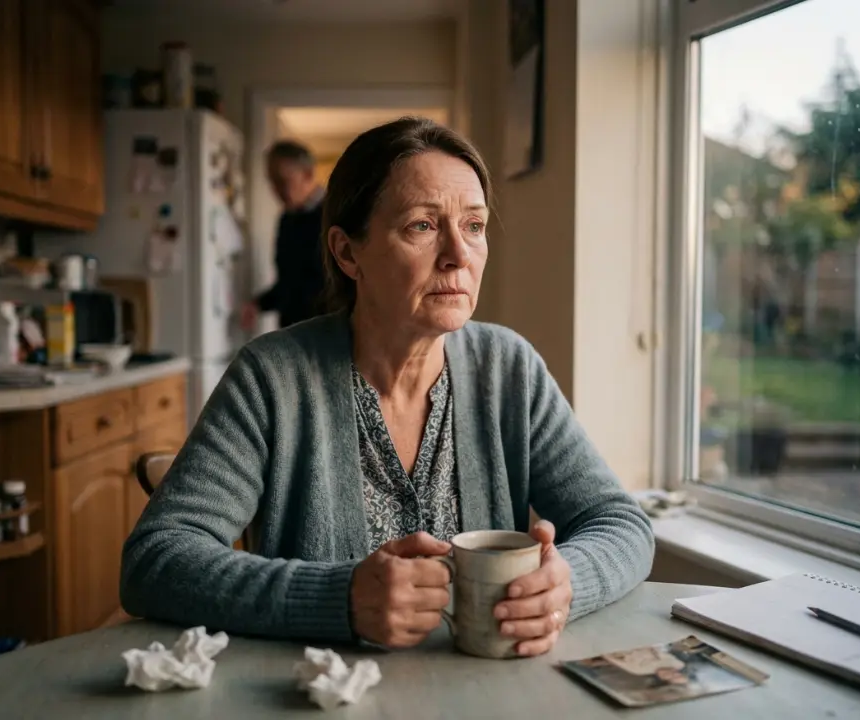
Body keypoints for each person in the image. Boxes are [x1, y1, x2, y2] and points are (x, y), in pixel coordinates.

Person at [121, 117, 655, 657]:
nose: (458, 255)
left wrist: (567, 584)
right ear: (348, 253)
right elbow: (156, 558)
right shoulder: (272, 377)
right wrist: (340, 598)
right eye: (422, 226)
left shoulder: (508, 369)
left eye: (474, 225)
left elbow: (621, 524)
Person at [242, 140, 327, 330]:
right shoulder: (287, 220)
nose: (276, 191)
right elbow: (289, 283)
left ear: (308, 174)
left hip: (328, 334)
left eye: (282, 181)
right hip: (293, 332)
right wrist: (259, 304)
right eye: (272, 182)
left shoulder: (335, 215)